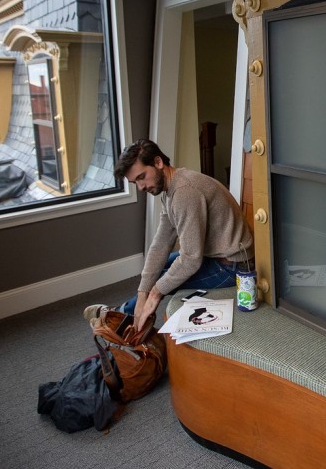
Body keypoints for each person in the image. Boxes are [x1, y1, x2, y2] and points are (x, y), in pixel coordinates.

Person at [85, 139, 253, 331]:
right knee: (159, 267)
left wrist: (155, 293)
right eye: (134, 182)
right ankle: (125, 312)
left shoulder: (184, 192)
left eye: (142, 177)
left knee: (164, 279)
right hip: (213, 256)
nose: (140, 187)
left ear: (158, 162)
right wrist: (142, 293)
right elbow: (161, 244)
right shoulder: (169, 189)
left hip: (233, 267)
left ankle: (118, 317)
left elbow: (190, 259)